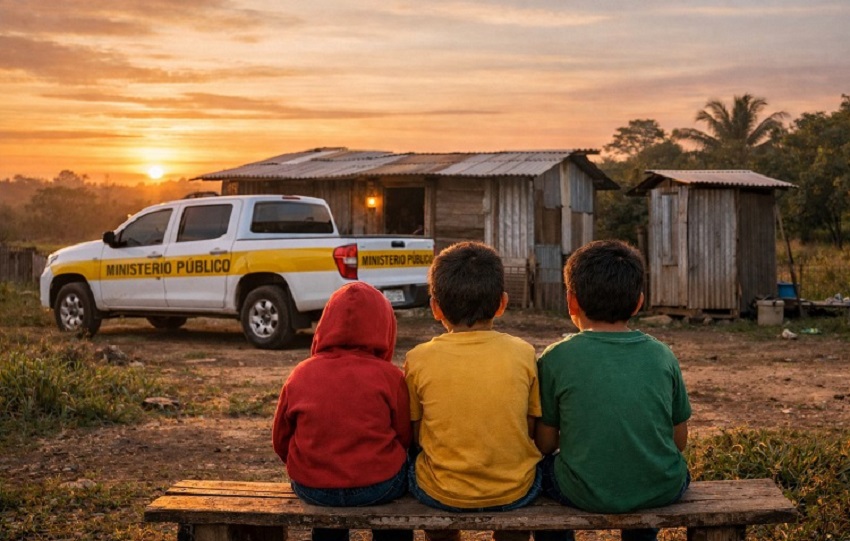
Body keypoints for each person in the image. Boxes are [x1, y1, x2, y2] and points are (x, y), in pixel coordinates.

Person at [535, 240, 691, 541]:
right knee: (646, 479)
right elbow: (679, 441)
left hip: (581, 490)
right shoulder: (662, 355)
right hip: (661, 487)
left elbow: (545, 444)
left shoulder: (556, 357)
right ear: (638, 302)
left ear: (571, 301)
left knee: (542, 474)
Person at [404, 241, 542, 541]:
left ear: (435, 307)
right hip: (513, 489)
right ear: (502, 303)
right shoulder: (524, 353)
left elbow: (416, 435)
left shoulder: (417, 359)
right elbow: (529, 427)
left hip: (442, 490)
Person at [272, 282, 412, 541]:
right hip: (379, 485)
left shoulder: (301, 374)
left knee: (327, 519)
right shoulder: (391, 377)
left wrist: (313, 467)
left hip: (314, 487)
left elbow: (280, 439)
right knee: (402, 494)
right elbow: (405, 436)